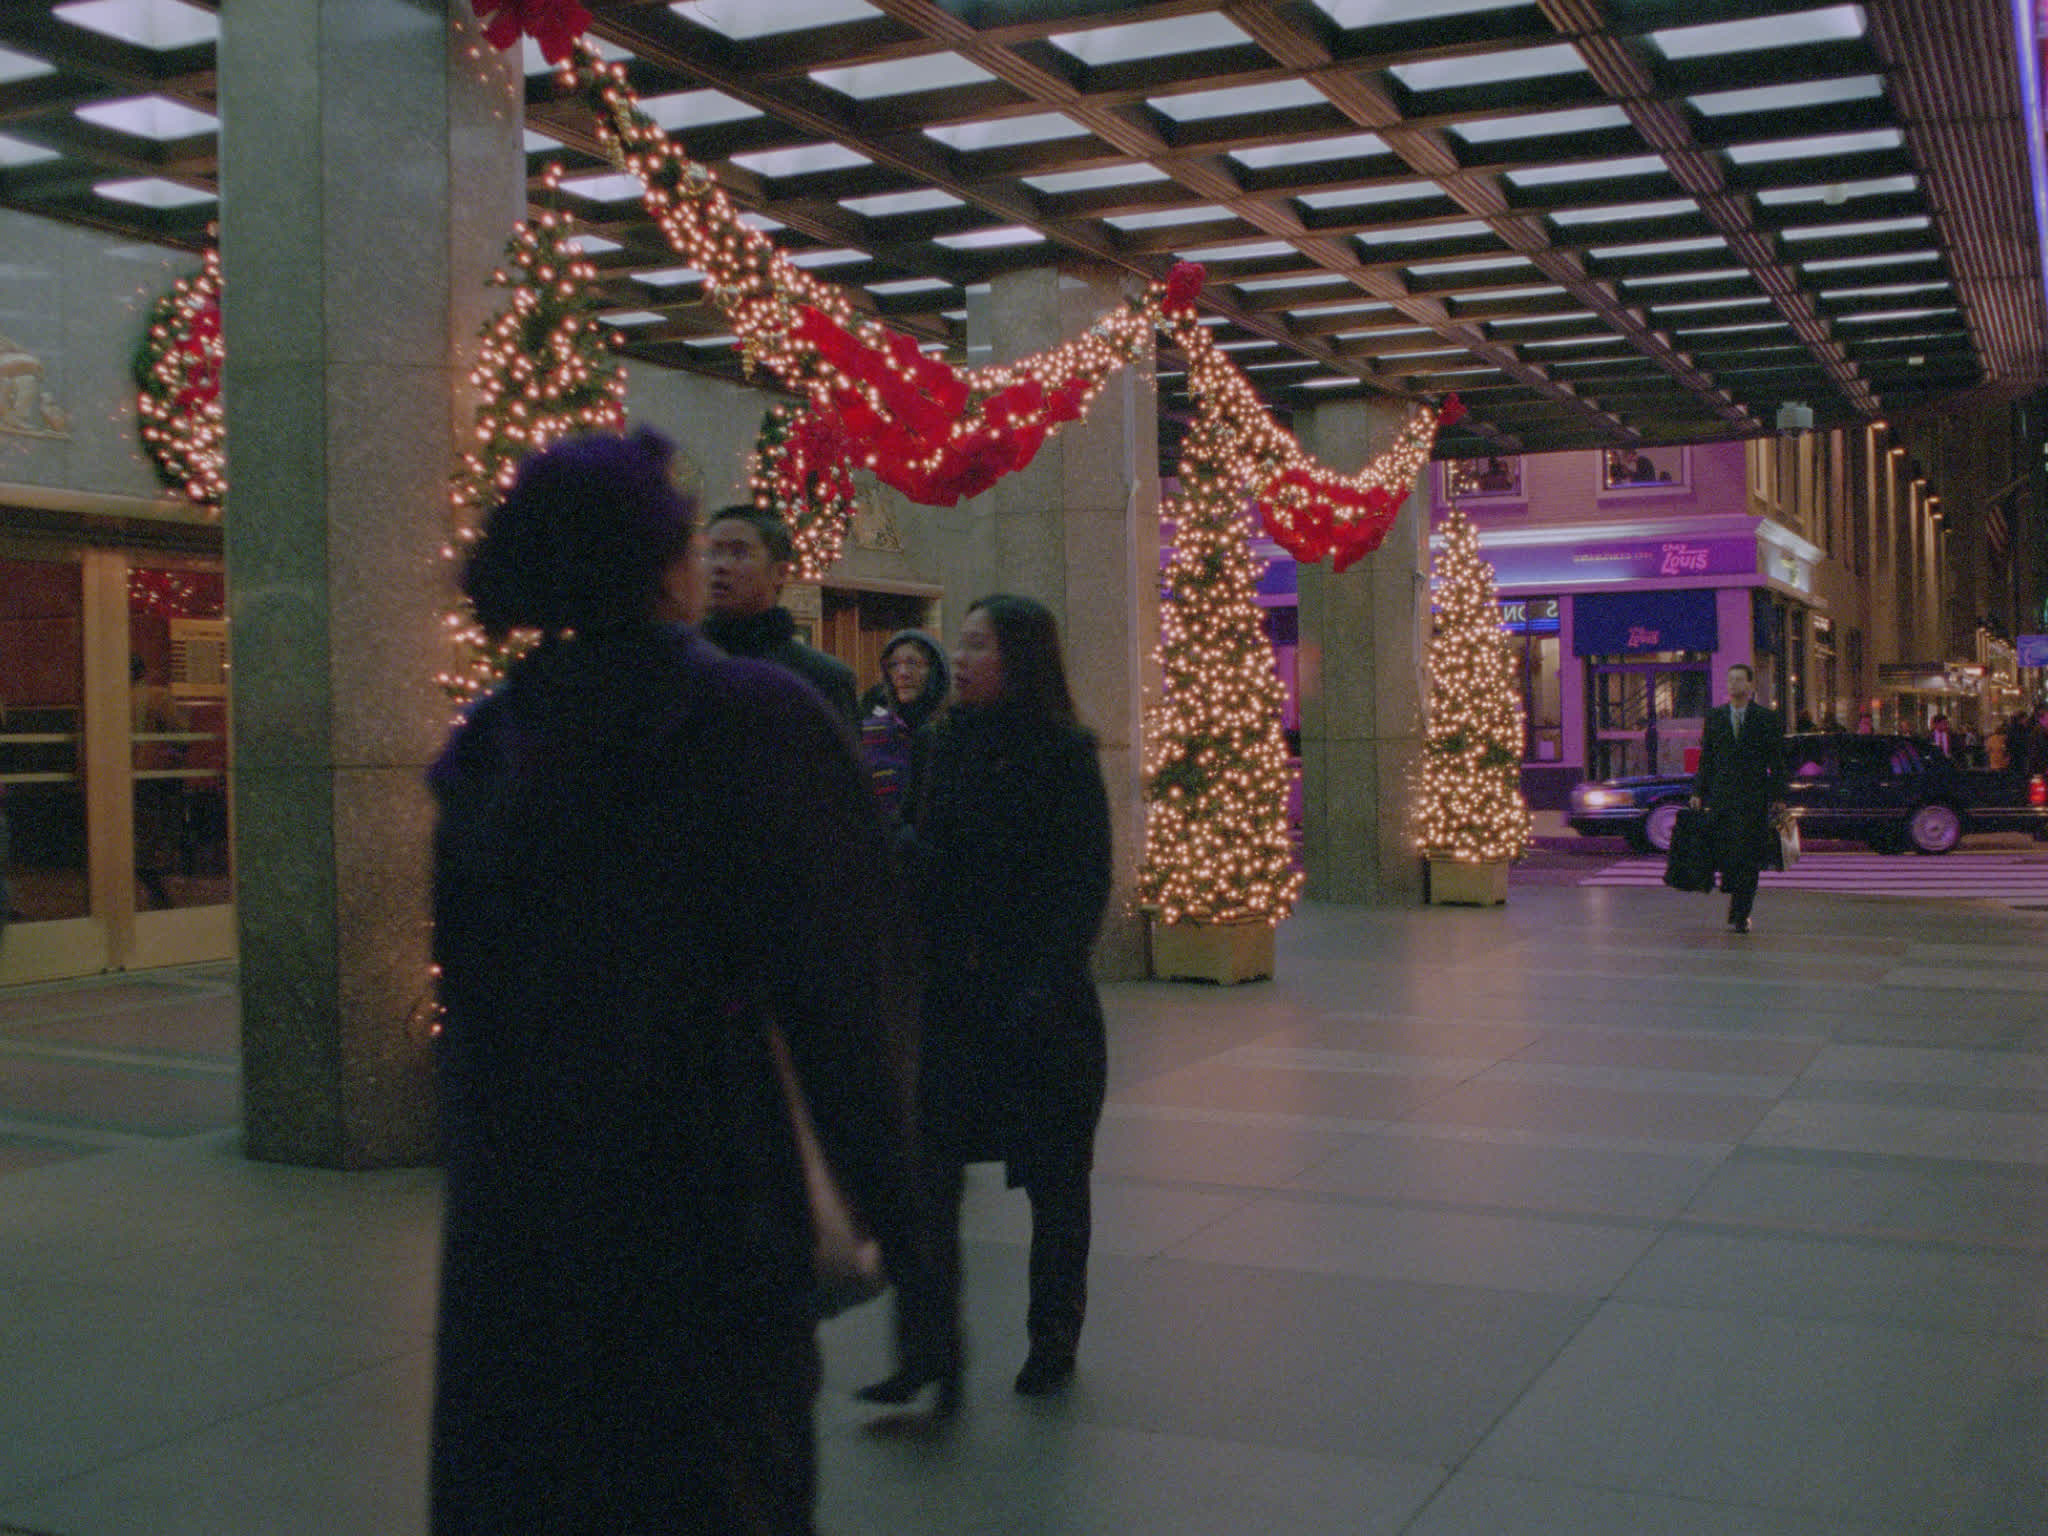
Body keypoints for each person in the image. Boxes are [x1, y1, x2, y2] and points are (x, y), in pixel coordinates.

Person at [428, 428, 915, 1535]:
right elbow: (843, 999)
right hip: (706, 1200)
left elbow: (475, 1013)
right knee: (715, 1484)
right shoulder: (755, 719)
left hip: (527, 1222)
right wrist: (908, 1235)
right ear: (660, 564)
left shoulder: (488, 743)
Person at [858, 594, 1112, 1412]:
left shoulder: (1066, 754)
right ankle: (932, 1349)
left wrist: (1043, 980)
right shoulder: (942, 744)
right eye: (958, 644)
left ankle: (1052, 1341)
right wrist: (899, 849)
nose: (956, 659)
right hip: (955, 999)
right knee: (928, 1179)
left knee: (1056, 1184)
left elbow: (1083, 883)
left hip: (1040, 1005)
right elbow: (933, 861)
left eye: (976, 646)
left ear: (1020, 660)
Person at [699, 505, 859, 724]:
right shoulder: (674, 664)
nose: (720, 566)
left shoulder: (822, 679)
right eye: (711, 553)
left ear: (780, 572)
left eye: (739, 553)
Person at [1689, 662, 1787, 935]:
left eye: (1738, 680)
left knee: (1748, 859)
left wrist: (1778, 795)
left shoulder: (1765, 719)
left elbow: (1776, 761)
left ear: (1750, 686)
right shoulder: (1716, 717)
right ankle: (1735, 893)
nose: (1733, 685)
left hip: (1753, 800)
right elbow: (1706, 758)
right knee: (1728, 854)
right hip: (1722, 799)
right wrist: (1698, 791)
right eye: (1729, 680)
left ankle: (1741, 913)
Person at [858, 628, 948, 821]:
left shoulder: (953, 731)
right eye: (893, 665)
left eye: (913, 663)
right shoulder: (869, 732)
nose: (903, 673)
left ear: (935, 671)